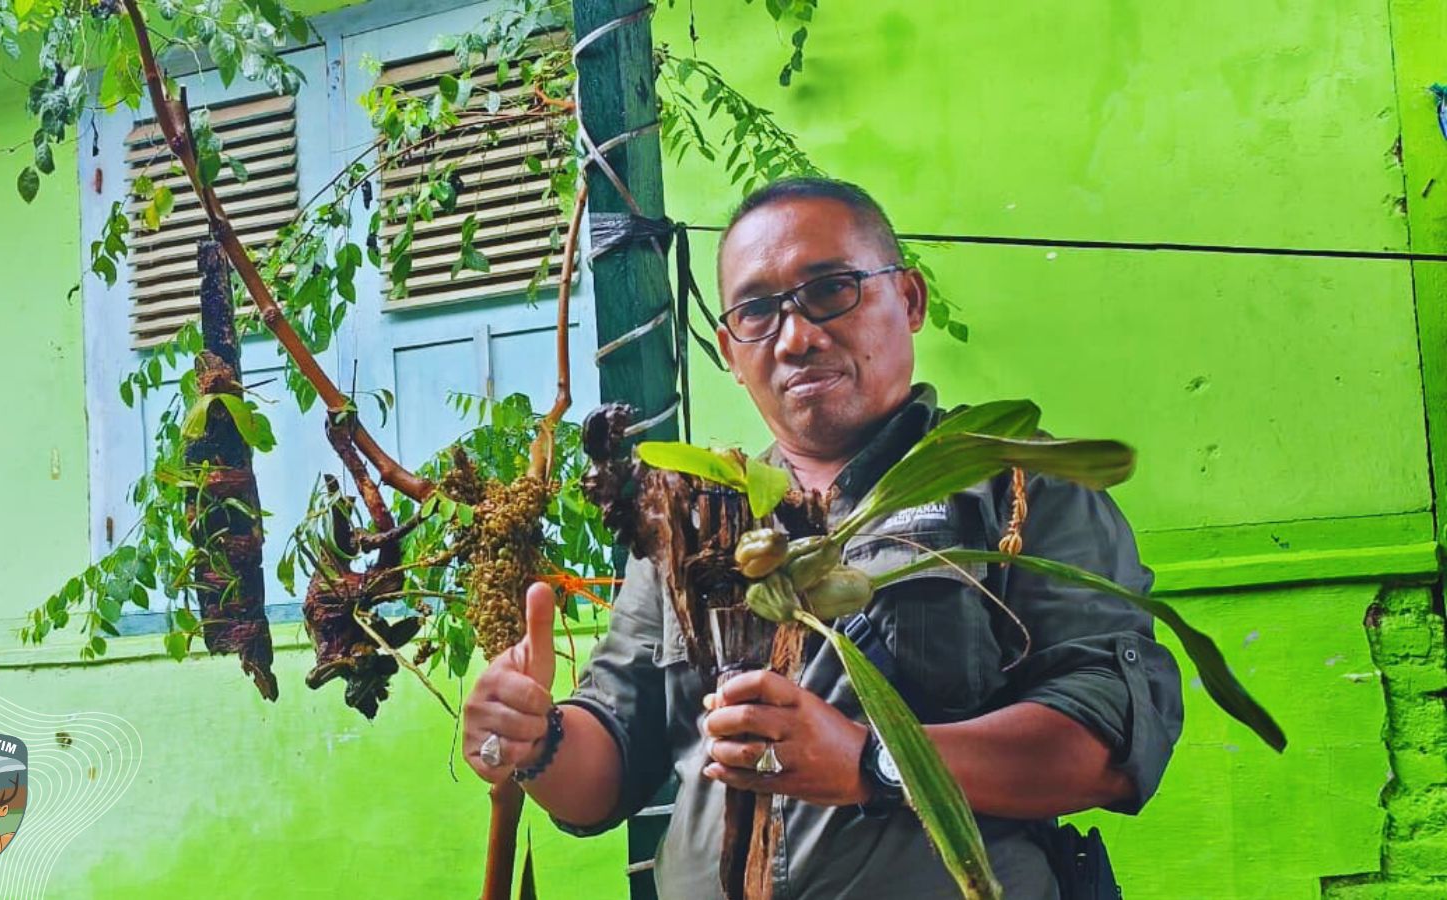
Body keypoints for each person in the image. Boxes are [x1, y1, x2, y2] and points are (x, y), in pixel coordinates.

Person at [462, 177, 1184, 898]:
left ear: (910, 298)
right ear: (730, 351)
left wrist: (872, 762)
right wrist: (537, 738)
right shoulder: (694, 520)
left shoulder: (1012, 484)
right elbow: (607, 767)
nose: (797, 338)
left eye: (832, 289)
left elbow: (1110, 736)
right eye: (757, 310)